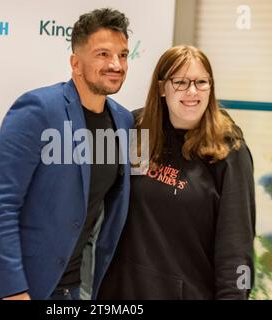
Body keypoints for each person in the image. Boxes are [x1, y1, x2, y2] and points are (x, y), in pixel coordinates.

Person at [0, 8, 133, 300]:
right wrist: (13, 290)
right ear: (76, 63)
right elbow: (0, 206)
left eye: (124, 55)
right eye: (103, 54)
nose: (116, 64)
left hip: (71, 288)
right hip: (15, 289)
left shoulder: (125, 122)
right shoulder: (38, 109)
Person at [97, 45, 256, 300]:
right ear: (162, 88)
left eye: (201, 82)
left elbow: (236, 247)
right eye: (180, 82)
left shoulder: (228, 150)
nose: (192, 91)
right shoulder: (137, 131)